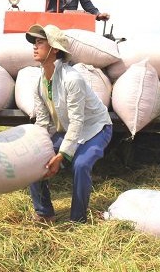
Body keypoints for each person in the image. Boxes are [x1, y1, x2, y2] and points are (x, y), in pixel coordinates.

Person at [25, 24, 113, 223]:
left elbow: (77, 122)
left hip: (95, 129)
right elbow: (43, 122)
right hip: (69, 130)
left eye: (40, 42)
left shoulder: (72, 79)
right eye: (34, 43)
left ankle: (78, 219)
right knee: (34, 160)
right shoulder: (39, 84)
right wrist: (37, 147)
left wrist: (61, 156)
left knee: (80, 165)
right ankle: (44, 213)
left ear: (55, 48)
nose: (35, 47)